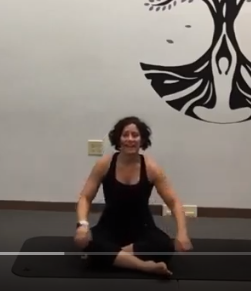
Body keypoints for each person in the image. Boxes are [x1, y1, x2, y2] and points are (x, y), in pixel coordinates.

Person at [73, 116, 193, 276]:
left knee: (165, 246)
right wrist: (82, 225)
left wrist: (182, 232)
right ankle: (144, 266)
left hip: (142, 229)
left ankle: (111, 257)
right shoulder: (104, 164)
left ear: (142, 140)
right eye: (125, 135)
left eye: (135, 135)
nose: (130, 139)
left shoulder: (151, 168)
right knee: (85, 240)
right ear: (118, 138)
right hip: (109, 227)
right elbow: (85, 197)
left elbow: (173, 201)